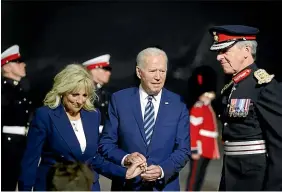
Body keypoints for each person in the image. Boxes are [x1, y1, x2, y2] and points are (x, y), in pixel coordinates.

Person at [18, 64, 146, 191]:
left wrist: (125, 173)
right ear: (63, 91)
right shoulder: (45, 115)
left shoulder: (93, 115)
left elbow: (94, 159)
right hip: (56, 186)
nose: (80, 101)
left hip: (89, 186)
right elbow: (31, 160)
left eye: (84, 95)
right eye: (74, 95)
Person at [99, 47, 190, 191]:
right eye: (153, 71)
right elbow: (106, 144)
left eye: (162, 71)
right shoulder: (120, 100)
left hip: (164, 187)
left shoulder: (178, 104)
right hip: (128, 186)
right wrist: (126, 158)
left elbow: (183, 150)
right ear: (138, 72)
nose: (158, 77)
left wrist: (161, 170)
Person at [209, 25, 282, 190]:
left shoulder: (264, 87)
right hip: (231, 174)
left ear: (246, 50)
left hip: (255, 179)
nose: (218, 58)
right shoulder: (231, 88)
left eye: (224, 51)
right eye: (218, 52)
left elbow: (279, 144)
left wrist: (274, 187)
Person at [1, 45, 34, 191]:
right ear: (7, 67)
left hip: (21, 145)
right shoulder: (3, 91)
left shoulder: (20, 90)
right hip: (6, 146)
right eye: (18, 61)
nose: (23, 64)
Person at [187, 87, 220, 191]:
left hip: (207, 147)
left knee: (201, 174)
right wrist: (194, 149)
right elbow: (193, 130)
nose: (210, 96)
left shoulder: (207, 106)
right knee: (194, 176)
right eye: (207, 94)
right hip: (200, 147)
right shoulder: (199, 107)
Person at [82, 54, 112, 133]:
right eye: (105, 69)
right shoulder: (81, 92)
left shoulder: (106, 93)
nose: (109, 73)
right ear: (93, 70)